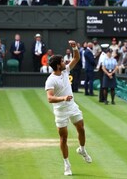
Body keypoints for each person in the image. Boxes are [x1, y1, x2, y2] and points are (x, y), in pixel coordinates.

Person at [45, 40, 92, 176]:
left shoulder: (65, 71)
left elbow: (76, 57)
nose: (65, 62)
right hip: (60, 111)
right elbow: (49, 98)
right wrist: (63, 98)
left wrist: (74, 47)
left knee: (81, 128)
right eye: (62, 61)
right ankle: (67, 165)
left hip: (72, 107)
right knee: (63, 138)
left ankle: (82, 149)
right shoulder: (50, 80)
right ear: (58, 65)